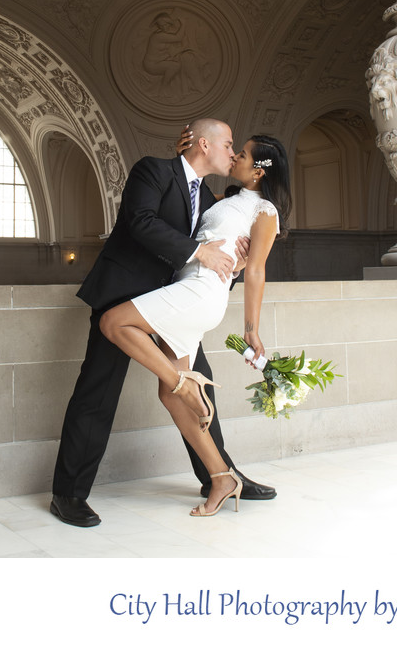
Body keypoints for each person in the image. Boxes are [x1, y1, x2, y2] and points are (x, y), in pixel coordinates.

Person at [50, 118, 279, 527]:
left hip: (176, 302)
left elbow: (226, 249)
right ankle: (68, 494)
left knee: (199, 393)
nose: (232, 153)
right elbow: (140, 221)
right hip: (123, 293)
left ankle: (221, 475)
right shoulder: (153, 170)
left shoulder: (214, 202)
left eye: (238, 150)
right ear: (204, 144)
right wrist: (199, 252)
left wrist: (236, 261)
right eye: (229, 145)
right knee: (97, 394)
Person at [100, 133, 291, 516]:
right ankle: (221, 476)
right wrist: (183, 155)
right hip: (187, 286)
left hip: (202, 293)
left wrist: (251, 328)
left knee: (114, 323)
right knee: (169, 396)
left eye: (242, 154)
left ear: (257, 171)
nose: (234, 157)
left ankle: (186, 384)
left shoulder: (265, 211)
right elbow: (187, 202)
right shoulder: (225, 200)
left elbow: (255, 271)